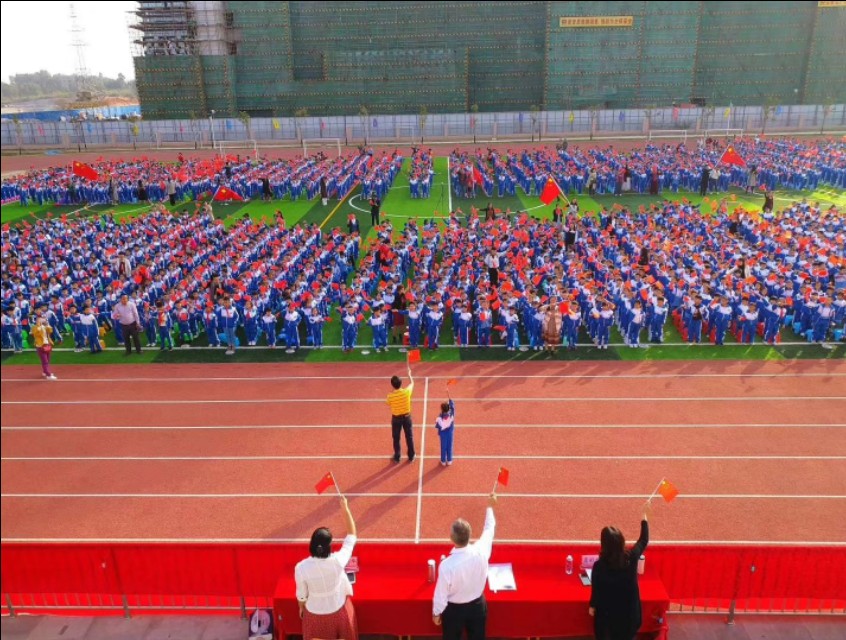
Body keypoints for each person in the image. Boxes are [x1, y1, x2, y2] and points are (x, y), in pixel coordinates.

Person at [432, 493, 498, 640]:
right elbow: (489, 528)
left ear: (451, 539)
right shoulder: (481, 550)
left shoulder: (446, 566)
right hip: (477, 606)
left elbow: (441, 594)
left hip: (454, 611)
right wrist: (489, 507)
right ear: (469, 535)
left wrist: (436, 612)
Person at [295, 495, 359, 640]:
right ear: (328, 546)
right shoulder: (338, 560)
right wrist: (345, 508)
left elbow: (302, 596)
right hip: (338, 610)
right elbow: (352, 535)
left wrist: (301, 607)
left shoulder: (301, 568)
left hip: (315, 614)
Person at [589, 507, 650, 640]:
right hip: (629, 617)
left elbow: (596, 590)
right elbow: (643, 540)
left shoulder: (599, 566)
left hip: (607, 618)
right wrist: (644, 519)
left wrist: (592, 606)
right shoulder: (632, 557)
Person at [386, 368, 415, 463]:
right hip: (407, 418)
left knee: (396, 438)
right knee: (409, 437)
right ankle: (411, 456)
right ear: (401, 383)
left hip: (396, 419)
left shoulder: (390, 396)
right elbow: (412, 384)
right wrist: (410, 375)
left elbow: (388, 403)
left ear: (392, 385)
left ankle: (397, 456)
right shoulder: (407, 392)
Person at [32, 315, 57, 380]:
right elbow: (36, 334)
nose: (40, 320)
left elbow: (50, 330)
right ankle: (48, 375)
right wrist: (39, 326)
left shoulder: (44, 326)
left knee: (47, 360)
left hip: (47, 345)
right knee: (45, 361)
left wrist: (47, 323)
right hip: (40, 346)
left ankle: (45, 371)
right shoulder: (34, 327)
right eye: (39, 319)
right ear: (36, 321)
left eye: (41, 319)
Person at [435, 397, 455, 466]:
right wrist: (450, 400)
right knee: (449, 446)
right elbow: (453, 408)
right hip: (450, 433)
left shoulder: (439, 418)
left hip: (443, 435)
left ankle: (443, 461)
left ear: (442, 409)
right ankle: (449, 460)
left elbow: (438, 426)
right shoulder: (451, 415)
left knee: (443, 447)